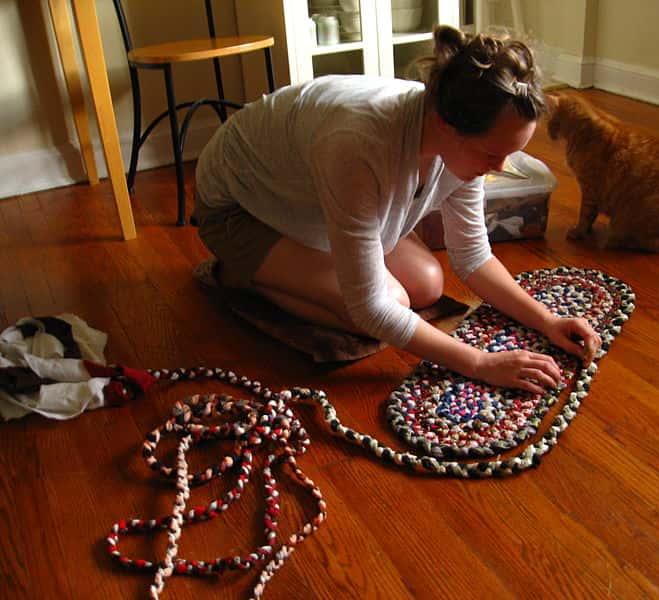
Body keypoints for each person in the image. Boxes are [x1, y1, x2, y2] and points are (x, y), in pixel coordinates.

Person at [192, 25, 601, 394]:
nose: (500, 168)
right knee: (385, 304)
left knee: (426, 283)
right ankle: (238, 275)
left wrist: (546, 321)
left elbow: (473, 255)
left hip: (310, 201)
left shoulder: (462, 129)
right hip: (238, 210)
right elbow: (371, 309)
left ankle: (296, 268)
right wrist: (480, 363)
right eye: (493, 153)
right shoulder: (359, 145)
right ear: (446, 124)